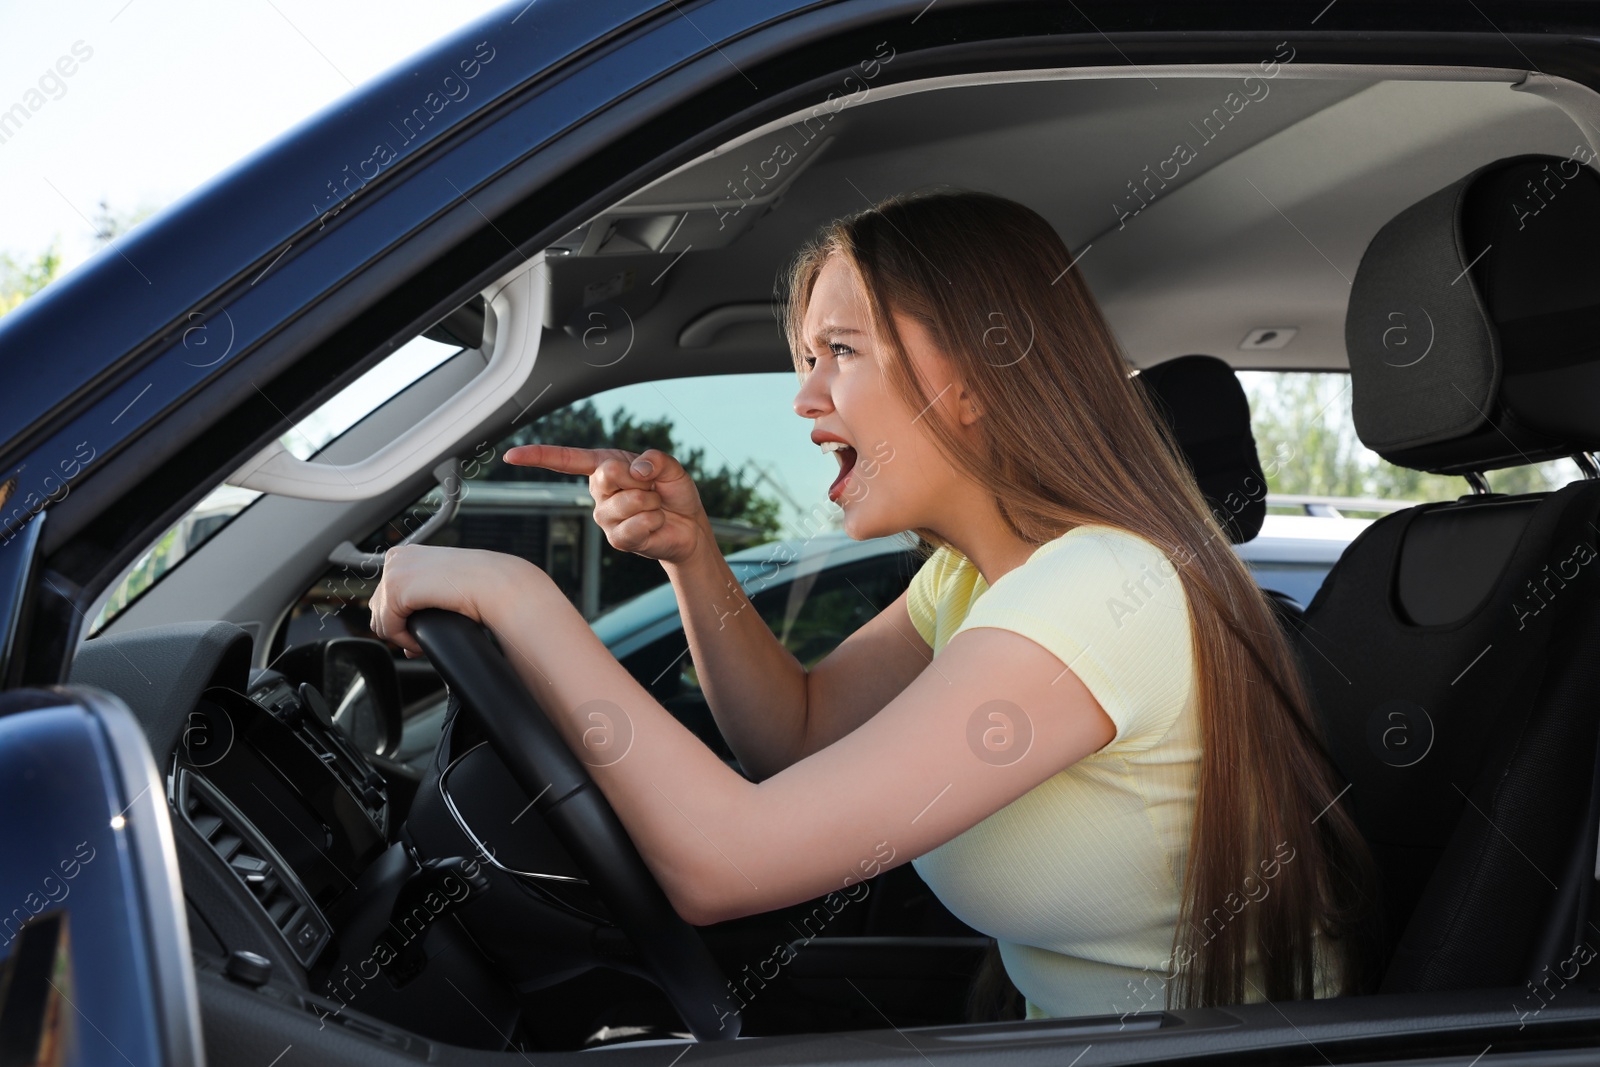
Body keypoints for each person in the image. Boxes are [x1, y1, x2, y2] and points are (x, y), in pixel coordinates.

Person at [368, 189, 1381, 1023]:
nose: (805, 398)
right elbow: (794, 738)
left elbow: (724, 860)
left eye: (839, 352)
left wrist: (514, 592)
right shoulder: (970, 581)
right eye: (806, 358)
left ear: (975, 375)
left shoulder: (1102, 589)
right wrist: (692, 558)